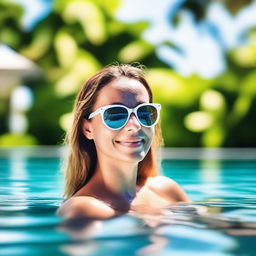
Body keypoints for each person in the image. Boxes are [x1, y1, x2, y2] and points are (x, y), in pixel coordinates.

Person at [57, 63, 190, 220]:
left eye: (144, 112)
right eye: (116, 115)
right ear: (88, 129)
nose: (134, 125)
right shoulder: (81, 210)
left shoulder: (167, 190)